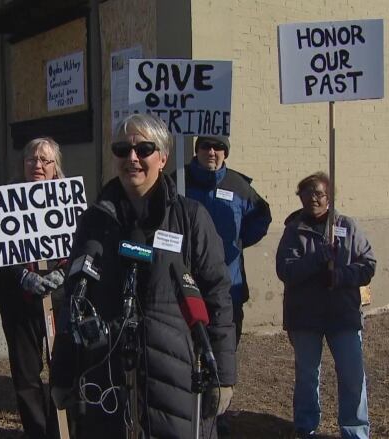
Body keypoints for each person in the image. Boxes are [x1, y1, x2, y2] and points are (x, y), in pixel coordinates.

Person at [50, 113, 236, 438]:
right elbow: (73, 300)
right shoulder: (94, 222)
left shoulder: (191, 219)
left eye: (144, 149)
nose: (132, 158)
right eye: (122, 150)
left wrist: (223, 373)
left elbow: (217, 295)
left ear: (162, 157)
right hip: (107, 380)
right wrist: (63, 372)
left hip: (174, 379)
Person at [275, 172, 375, 439]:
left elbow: (368, 266)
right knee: (308, 375)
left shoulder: (347, 226)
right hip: (305, 316)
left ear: (329, 197)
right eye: (306, 194)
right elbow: (286, 270)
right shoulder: (294, 230)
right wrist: (317, 259)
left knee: (353, 375)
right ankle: (306, 426)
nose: (313, 199)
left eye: (318, 193)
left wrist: (340, 275)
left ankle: (355, 430)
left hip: (342, 314)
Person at [184, 134, 272, 434]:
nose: (212, 151)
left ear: (225, 153)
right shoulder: (178, 180)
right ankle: (185, 412)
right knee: (184, 352)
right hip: (184, 286)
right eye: (206, 146)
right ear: (196, 150)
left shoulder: (239, 186)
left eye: (218, 147)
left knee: (222, 352)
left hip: (227, 288)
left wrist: (237, 242)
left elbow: (261, 217)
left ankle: (217, 415)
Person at [0, 137, 68, 438]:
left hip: (59, 297)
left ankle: (60, 429)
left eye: (45, 160)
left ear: (55, 166)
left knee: (62, 367)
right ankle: (37, 432)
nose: (37, 165)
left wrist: (63, 273)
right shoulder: (4, 200)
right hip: (18, 297)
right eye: (31, 159)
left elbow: (80, 244)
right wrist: (21, 274)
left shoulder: (69, 198)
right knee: (25, 372)